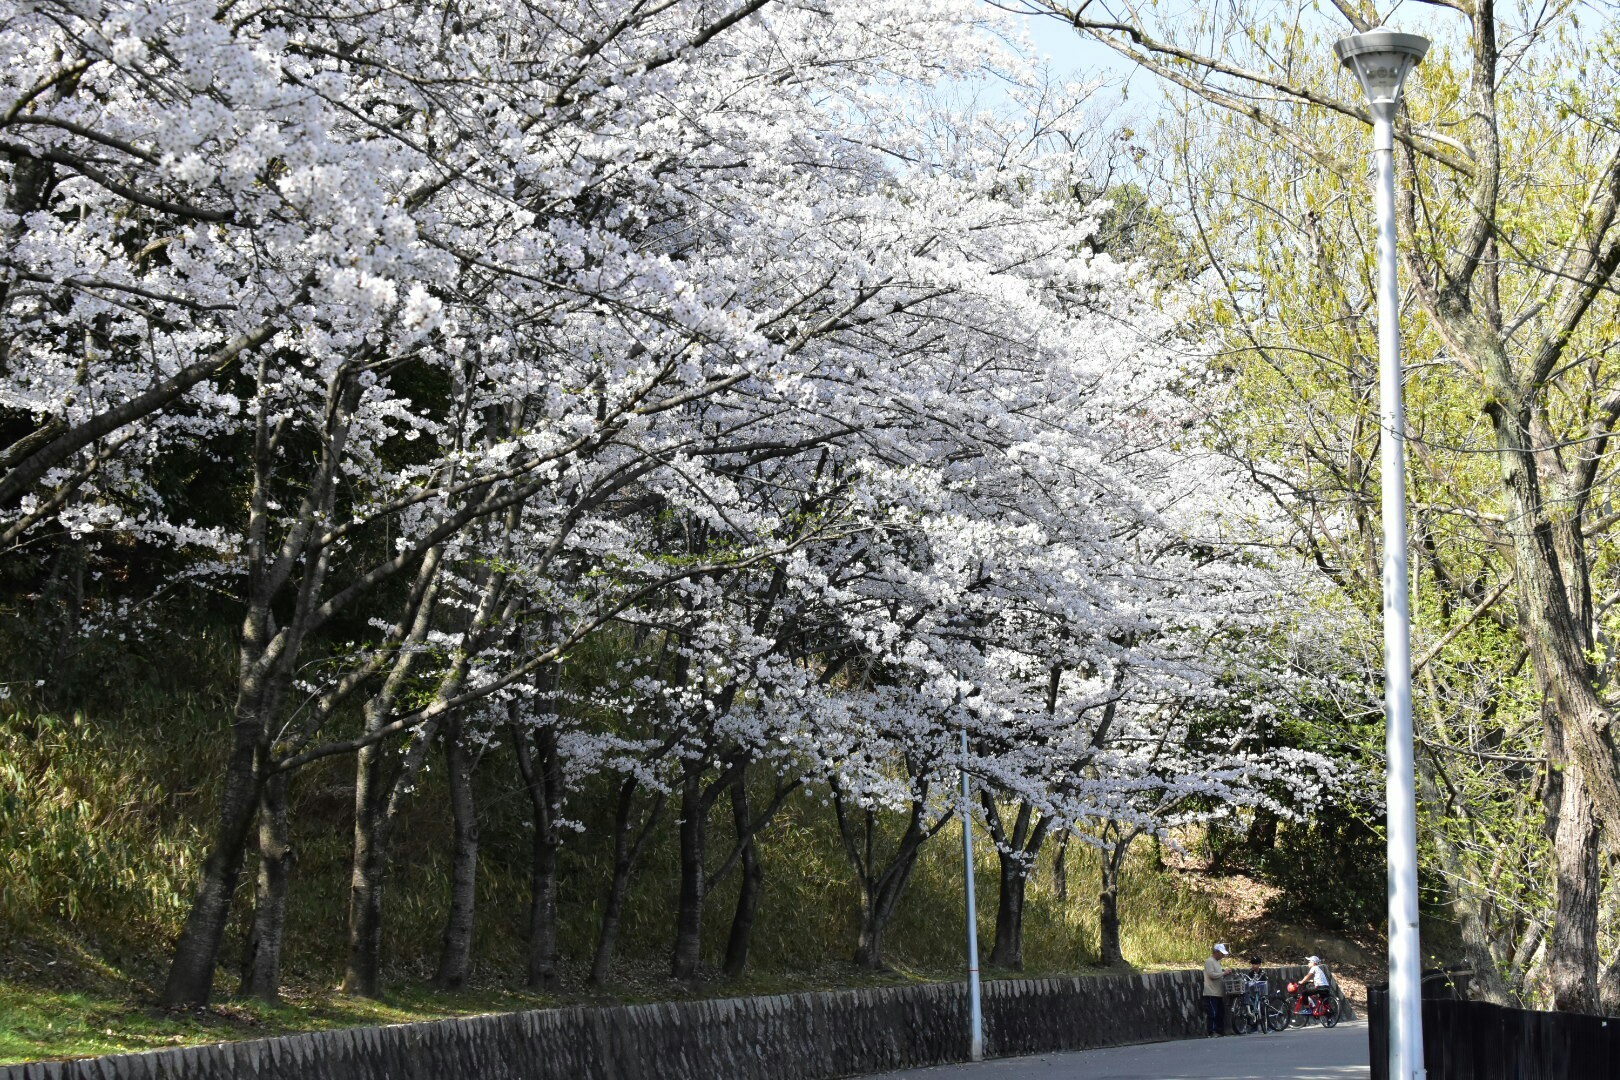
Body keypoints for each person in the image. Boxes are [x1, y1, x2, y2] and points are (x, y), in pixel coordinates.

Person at [1203, 942, 1230, 1036]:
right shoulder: (1209, 961)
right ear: (1216, 952)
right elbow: (1211, 975)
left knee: (1220, 1013)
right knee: (1213, 1013)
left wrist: (1224, 972)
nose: (1222, 956)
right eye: (1221, 954)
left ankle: (1219, 1030)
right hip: (1211, 992)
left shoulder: (1218, 962)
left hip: (1218, 992)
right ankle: (1212, 1031)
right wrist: (1224, 973)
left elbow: (1218, 974)